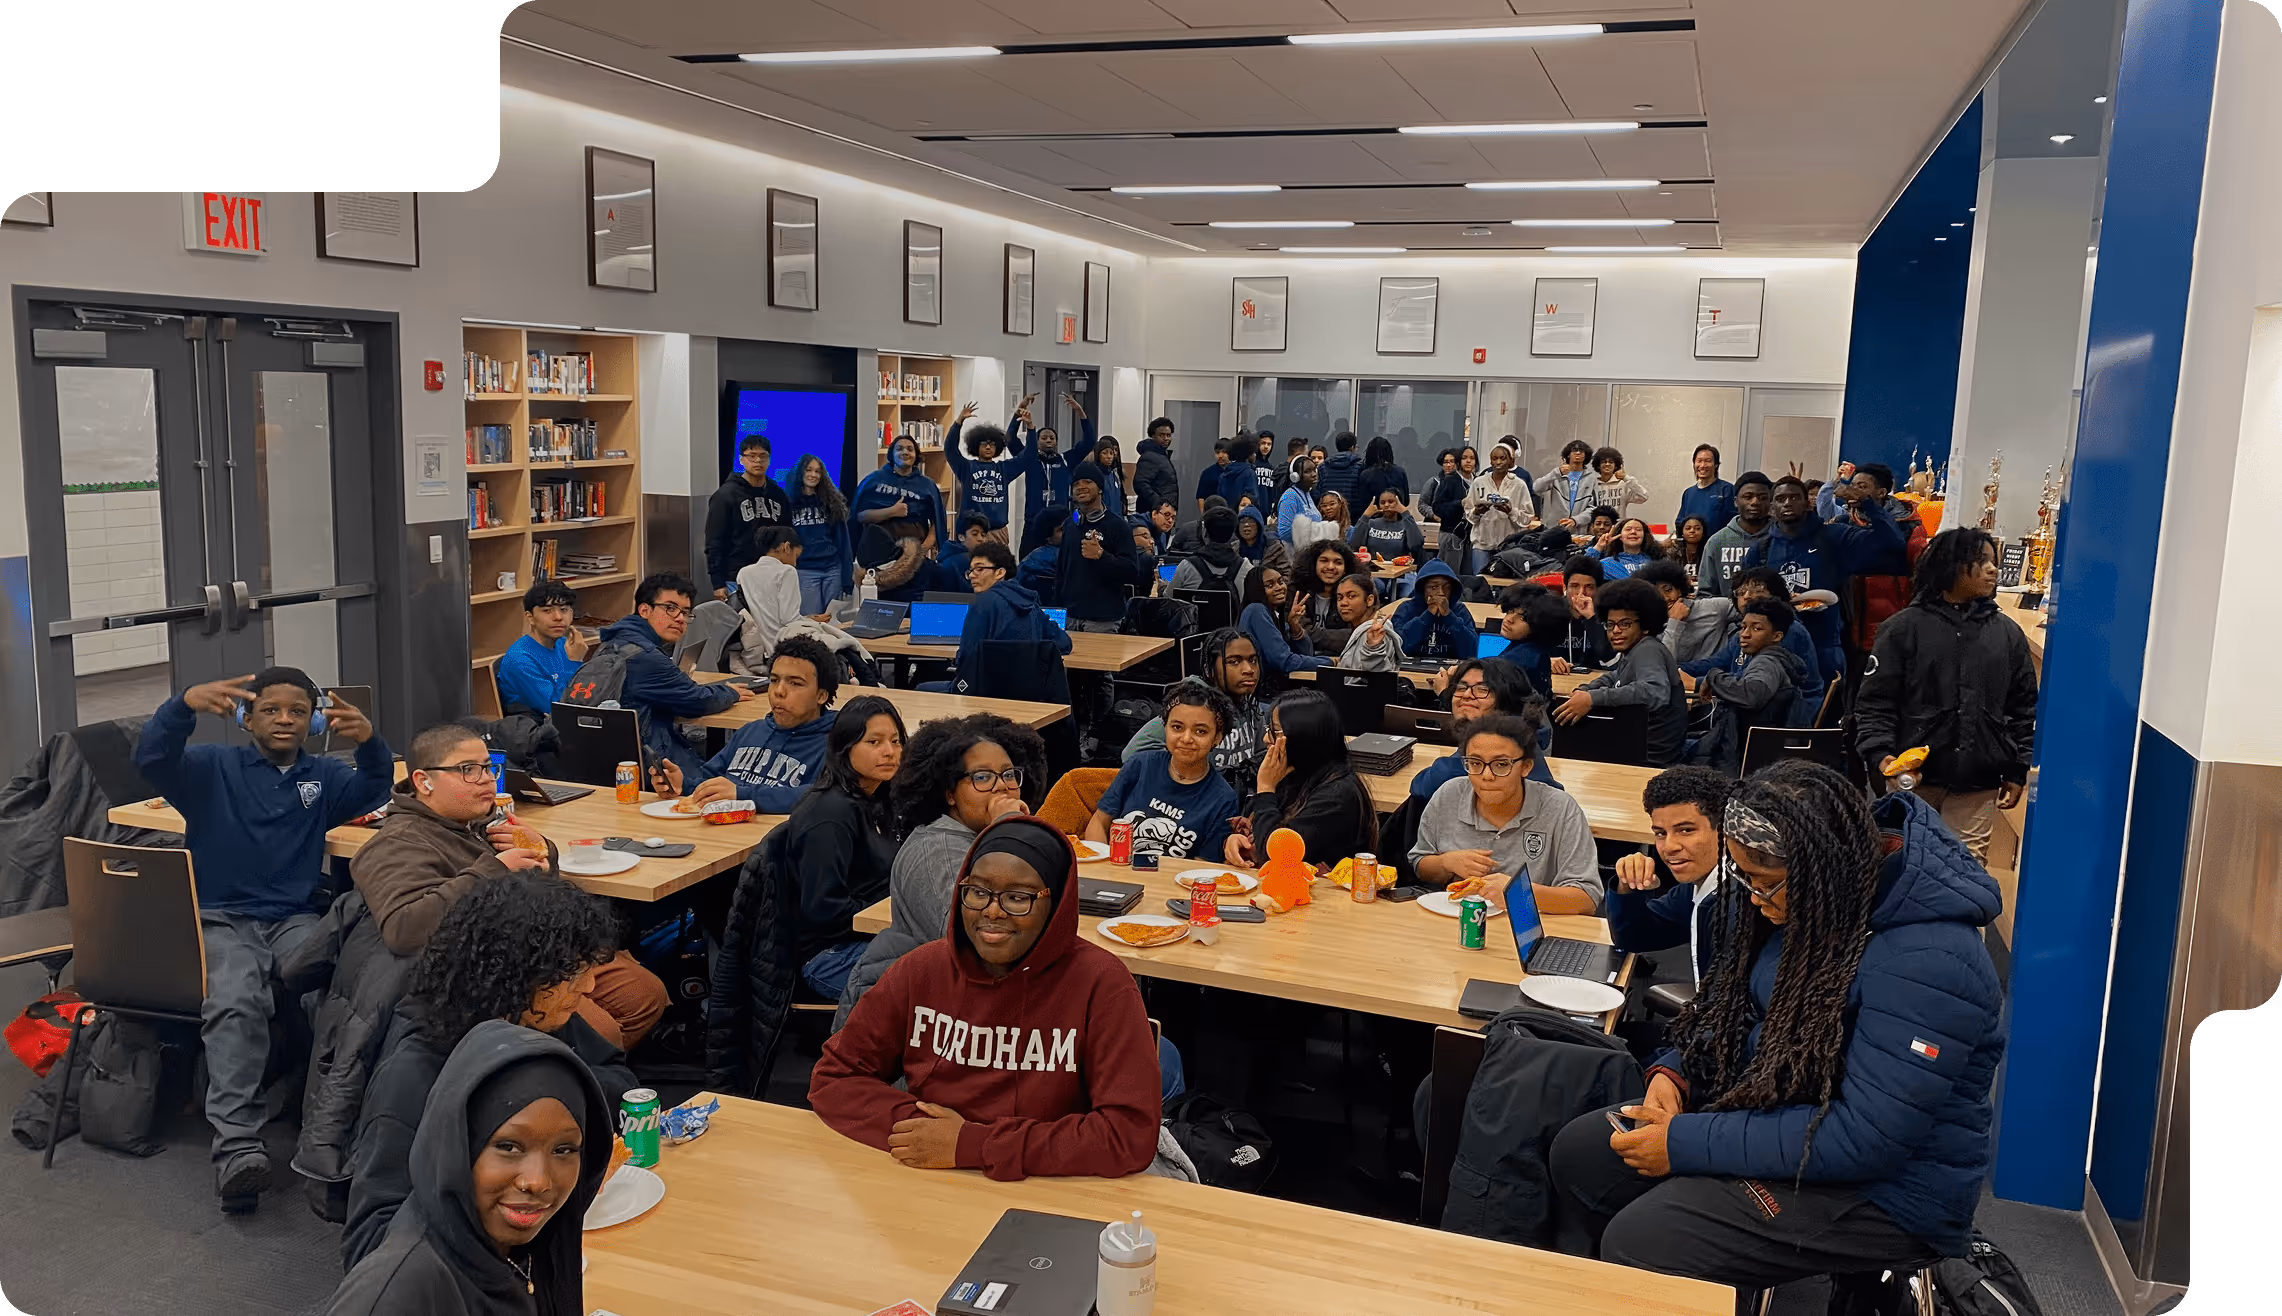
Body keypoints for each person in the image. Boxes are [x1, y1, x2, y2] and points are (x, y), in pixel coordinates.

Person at [1546, 762, 2004, 1293]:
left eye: (1764, 885)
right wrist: (1676, 1074)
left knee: (1647, 1239)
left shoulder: (1931, 960)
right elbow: (1730, 1006)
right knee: (1583, 1153)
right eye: (1743, 879)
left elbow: (1866, 1139)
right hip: (1779, 1111)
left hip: (1890, 1191)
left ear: (1822, 871)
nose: (1755, 900)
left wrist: (1684, 1142)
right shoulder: (1796, 907)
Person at [135, 668, 393, 1211]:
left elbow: (374, 789)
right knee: (234, 1001)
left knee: (342, 993)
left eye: (297, 711)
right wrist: (182, 706)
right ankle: (238, 1152)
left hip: (293, 920)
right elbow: (152, 761)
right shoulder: (210, 767)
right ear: (245, 717)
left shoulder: (322, 776)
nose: (284, 719)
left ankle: (333, 1130)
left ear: (313, 720)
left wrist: (369, 742)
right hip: (221, 917)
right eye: (270, 709)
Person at [811, 817, 1160, 1180]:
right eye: (977, 892)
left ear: (1055, 904)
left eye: (1017, 898)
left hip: (1052, 1189)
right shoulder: (922, 970)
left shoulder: (1101, 983)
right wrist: (925, 1133)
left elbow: (1129, 1134)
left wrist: (974, 1144)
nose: (992, 912)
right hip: (932, 1177)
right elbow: (835, 1079)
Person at [341, 876, 633, 1271]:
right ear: (523, 974)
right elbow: (370, 1241)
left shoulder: (539, 1019)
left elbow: (621, 1083)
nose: (591, 984)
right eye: (573, 970)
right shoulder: (415, 1071)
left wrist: (551, 1102)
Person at [351, 723, 667, 1049]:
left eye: (489, 767)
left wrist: (543, 853)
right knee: (604, 1035)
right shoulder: (397, 844)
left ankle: (580, 1075)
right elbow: (404, 930)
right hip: (484, 979)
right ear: (424, 781)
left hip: (537, 951)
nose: (487, 778)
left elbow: (530, 901)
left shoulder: (478, 822)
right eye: (468, 770)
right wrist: (497, 868)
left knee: (645, 995)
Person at [324, 1021, 612, 1316]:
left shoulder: (531, 1250)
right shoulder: (399, 1293)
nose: (537, 1181)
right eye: (508, 1147)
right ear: (457, 1147)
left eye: (564, 1150)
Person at [836, 715, 1047, 1025]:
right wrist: (1007, 831)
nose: (1002, 787)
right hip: (906, 1029)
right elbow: (976, 942)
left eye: (1008, 774)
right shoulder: (939, 852)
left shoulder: (979, 839)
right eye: (982, 778)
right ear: (949, 793)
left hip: (954, 1009)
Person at [1854, 527, 2039, 864]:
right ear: (1950, 565)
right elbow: (1874, 704)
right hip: (1912, 780)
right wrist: (1881, 756)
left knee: (1964, 879)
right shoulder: (1902, 628)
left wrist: (2017, 769)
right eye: (1980, 561)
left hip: (1977, 785)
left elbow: (2023, 708)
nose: (1992, 569)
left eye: (1993, 561)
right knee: (1904, 871)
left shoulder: (2007, 634)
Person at [1412, 711, 1602, 915]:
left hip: (1529, 929)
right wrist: (1445, 863)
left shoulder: (1560, 808)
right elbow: (1420, 863)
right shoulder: (1449, 794)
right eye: (1475, 763)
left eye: (1501, 765)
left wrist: (1519, 894)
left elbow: (1587, 898)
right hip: (1459, 921)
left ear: (1526, 767)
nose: (1486, 776)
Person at [781, 695, 907, 998]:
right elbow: (824, 909)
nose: (889, 752)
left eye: (896, 741)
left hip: (873, 937)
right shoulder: (830, 815)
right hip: (830, 956)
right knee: (938, 986)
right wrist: (897, 921)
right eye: (874, 743)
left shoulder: (879, 798)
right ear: (844, 747)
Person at [654, 635, 839, 815]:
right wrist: (682, 785)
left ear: (821, 696)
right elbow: (709, 779)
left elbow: (823, 797)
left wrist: (743, 796)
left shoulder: (836, 744)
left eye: (795, 683)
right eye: (774, 680)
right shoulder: (750, 732)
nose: (779, 691)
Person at [595, 573, 751, 781]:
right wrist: (730, 692)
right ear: (644, 610)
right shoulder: (646, 656)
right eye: (670, 608)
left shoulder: (612, 643)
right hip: (647, 763)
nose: (679, 618)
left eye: (685, 612)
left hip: (609, 757)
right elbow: (697, 700)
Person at [1760, 473, 1906, 681]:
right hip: (1776, 648)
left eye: (1794, 497)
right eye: (1781, 499)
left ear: (1808, 503)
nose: (1788, 503)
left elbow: (1892, 545)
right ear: (1772, 508)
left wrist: (1867, 504)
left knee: (1828, 711)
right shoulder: (1762, 549)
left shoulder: (1833, 536)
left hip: (1825, 646)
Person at [1087, 679, 1242, 863]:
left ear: (1217, 737)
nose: (1186, 738)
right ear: (1165, 728)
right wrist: (1102, 872)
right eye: (1177, 727)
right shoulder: (1140, 765)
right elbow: (1099, 822)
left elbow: (1203, 865)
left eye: (1200, 731)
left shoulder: (1224, 798)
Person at [1604, 767, 1734, 984]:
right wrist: (1627, 888)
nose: (1669, 847)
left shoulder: (1739, 903)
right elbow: (1635, 938)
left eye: (1686, 830)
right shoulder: (1697, 886)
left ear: (1724, 829)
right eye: (1660, 833)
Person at [1231, 691, 1376, 867]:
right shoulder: (1293, 773)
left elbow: (1274, 856)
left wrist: (1265, 788)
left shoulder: (1338, 796)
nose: (1265, 739)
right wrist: (1236, 840)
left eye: (1275, 731)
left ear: (1303, 737)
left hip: (1321, 891)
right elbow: (1258, 829)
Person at [1554, 577, 1688, 767]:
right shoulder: (1633, 649)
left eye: (1625, 623)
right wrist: (1587, 690)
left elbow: (1654, 692)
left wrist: (1593, 699)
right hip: (1633, 744)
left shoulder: (1648, 649)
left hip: (1649, 758)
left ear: (1645, 626)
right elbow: (1615, 676)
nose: (1615, 631)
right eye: (1610, 624)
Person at [1123, 628, 1272, 788]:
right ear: (1209, 670)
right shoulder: (1192, 707)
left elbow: (1260, 753)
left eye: (1253, 660)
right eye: (1234, 662)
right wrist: (1184, 776)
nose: (1249, 670)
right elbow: (1132, 753)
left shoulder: (1250, 704)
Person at [1409, 658, 1559, 802]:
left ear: (1507, 698)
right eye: (1461, 688)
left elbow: (1427, 785)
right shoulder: (1515, 729)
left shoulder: (1500, 738)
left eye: (1482, 689)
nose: (1467, 695)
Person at [1680, 567, 1826, 714]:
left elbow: (1752, 685)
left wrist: (1698, 683)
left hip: (1788, 717)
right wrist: (1676, 669)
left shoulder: (1788, 629)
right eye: (1741, 592)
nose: (1748, 596)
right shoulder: (1744, 631)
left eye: (1757, 590)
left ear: (1776, 596)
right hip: (1757, 707)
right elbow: (1716, 662)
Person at [1685, 599, 1808, 774]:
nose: (1745, 634)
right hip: (1758, 753)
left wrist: (1713, 677)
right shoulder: (1768, 659)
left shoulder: (1767, 662)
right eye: (1743, 627)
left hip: (1747, 759)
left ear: (1777, 636)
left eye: (1756, 628)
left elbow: (1752, 694)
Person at [946, 541, 1071, 695]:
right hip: (1030, 697)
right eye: (970, 570)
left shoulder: (981, 603)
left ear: (1000, 573)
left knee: (922, 689)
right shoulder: (1030, 603)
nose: (972, 575)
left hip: (984, 694)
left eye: (979, 568)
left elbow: (966, 658)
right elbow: (1065, 643)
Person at [1829, 462, 1929, 654]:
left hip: (1890, 615)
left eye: (1862, 487)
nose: (1854, 491)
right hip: (1847, 617)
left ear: (1882, 492)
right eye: (1854, 485)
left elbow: (1919, 572)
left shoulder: (1908, 526)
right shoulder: (1843, 521)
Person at [1056, 461, 1142, 631]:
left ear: (1100, 488)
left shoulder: (1118, 526)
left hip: (1103, 620)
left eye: (1087, 482)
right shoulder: (1070, 525)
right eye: (1076, 484)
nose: (1081, 487)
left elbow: (1132, 573)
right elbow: (1061, 572)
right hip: (1070, 617)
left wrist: (1102, 556)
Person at [704, 433, 789, 594]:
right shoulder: (725, 496)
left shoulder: (778, 494)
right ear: (741, 459)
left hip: (773, 576)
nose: (758, 461)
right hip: (736, 577)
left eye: (763, 456)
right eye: (752, 456)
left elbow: (788, 534)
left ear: (769, 459)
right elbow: (714, 541)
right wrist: (717, 583)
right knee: (741, 619)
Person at [495, 580, 590, 717]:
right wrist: (574, 662)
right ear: (530, 618)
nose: (558, 617)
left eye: (564, 610)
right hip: (539, 729)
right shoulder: (520, 659)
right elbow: (557, 710)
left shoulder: (564, 644)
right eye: (547, 611)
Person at [943, 406, 1030, 534]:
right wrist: (959, 422)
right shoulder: (967, 467)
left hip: (997, 531)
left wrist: (1031, 429)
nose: (988, 447)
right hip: (972, 531)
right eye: (984, 443)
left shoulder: (1004, 469)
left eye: (992, 444)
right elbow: (950, 449)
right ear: (976, 446)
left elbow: (1028, 457)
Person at [1634, 560, 1732, 668]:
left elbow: (1749, 611)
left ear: (1680, 588)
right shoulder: (1650, 625)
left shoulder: (1715, 607)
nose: (1665, 598)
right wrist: (1674, 623)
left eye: (1668, 590)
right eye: (1656, 594)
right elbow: (1660, 667)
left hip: (1712, 679)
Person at [788, 452, 853, 615]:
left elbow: (843, 542)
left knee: (833, 622)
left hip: (833, 569)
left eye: (818, 471)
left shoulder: (832, 502)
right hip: (805, 570)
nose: (813, 475)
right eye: (809, 470)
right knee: (812, 621)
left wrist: (847, 579)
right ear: (800, 472)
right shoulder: (787, 503)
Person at [854, 433, 948, 546]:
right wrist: (892, 511)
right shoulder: (874, 480)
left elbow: (937, 521)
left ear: (916, 455)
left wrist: (922, 550)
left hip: (915, 551)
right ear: (892, 454)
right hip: (878, 550)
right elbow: (860, 516)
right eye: (899, 449)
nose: (905, 452)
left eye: (910, 449)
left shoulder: (927, 485)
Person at [1236, 560, 1324, 679]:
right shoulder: (1256, 610)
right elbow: (1284, 662)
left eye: (1280, 582)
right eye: (1270, 585)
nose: (1279, 588)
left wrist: (1295, 627)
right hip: (1262, 693)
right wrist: (1330, 663)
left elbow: (1306, 654)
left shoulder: (1274, 614)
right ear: (1257, 589)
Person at [733, 526, 811, 656]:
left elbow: (765, 611)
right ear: (786, 547)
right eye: (796, 556)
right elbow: (789, 619)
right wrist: (813, 623)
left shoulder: (744, 573)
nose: (795, 563)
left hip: (755, 646)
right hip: (783, 646)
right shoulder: (787, 572)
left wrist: (807, 618)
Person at [1696, 470, 1773, 599]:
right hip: (1728, 617)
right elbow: (1705, 594)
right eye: (1748, 497)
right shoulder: (1717, 542)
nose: (1755, 502)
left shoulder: (1782, 538)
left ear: (1770, 502)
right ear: (1736, 501)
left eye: (1762, 497)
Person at [1391, 559, 1479, 661]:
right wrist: (1427, 616)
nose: (1441, 592)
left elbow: (1473, 652)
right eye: (1434, 587)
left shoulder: (1459, 611)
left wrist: (1449, 617)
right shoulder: (1407, 609)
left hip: (1451, 671)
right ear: (1422, 589)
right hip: (1412, 668)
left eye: (1447, 587)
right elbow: (1397, 648)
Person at [1467, 442, 1535, 571]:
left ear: (1510, 461)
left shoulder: (1519, 484)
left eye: (1502, 458)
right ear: (1490, 461)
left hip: (1508, 545)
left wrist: (1511, 511)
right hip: (1482, 543)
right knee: (1481, 583)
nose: (1498, 462)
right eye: (1495, 458)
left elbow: (1528, 517)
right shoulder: (1479, 482)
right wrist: (1477, 511)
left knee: (1505, 585)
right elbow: (1468, 513)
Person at [1493, 584, 1567, 697]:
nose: (1509, 619)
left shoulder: (1524, 658)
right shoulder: (1530, 649)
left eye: (1523, 618)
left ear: (1539, 625)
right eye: (1511, 611)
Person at [1169, 504, 1250, 598]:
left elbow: (1168, 599)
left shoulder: (1186, 567)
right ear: (1232, 534)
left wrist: (1161, 587)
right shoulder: (1246, 568)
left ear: (1205, 532)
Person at [1550, 556, 1615, 673]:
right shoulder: (1547, 611)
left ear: (1598, 590)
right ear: (1565, 587)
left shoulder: (1609, 616)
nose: (1581, 593)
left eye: (1589, 587)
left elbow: (1612, 663)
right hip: (1557, 682)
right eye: (1575, 586)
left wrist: (1591, 619)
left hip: (1596, 686)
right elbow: (1506, 646)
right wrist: (1545, 660)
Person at [1293, 538, 1361, 644]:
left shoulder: (1355, 594)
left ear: (1345, 570)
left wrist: (1311, 635)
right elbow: (1298, 632)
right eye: (1324, 561)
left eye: (1338, 562)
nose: (1330, 567)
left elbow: (1357, 634)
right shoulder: (1297, 590)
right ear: (1314, 564)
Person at [1335, 572, 1407, 671]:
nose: (1343, 603)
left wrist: (1374, 648)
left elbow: (1377, 678)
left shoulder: (1378, 633)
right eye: (1340, 598)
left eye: (1351, 596)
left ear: (1369, 600)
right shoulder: (1360, 628)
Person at [1422, 448, 1472, 569]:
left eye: (1452, 461)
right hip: (1448, 531)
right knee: (1448, 569)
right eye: (1446, 462)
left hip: (1468, 533)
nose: (1449, 465)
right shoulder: (1437, 482)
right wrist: (1435, 516)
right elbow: (1425, 504)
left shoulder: (1473, 481)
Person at [1350, 486, 1425, 565]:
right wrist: (1365, 516)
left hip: (1400, 571)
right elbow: (1355, 544)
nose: (1386, 505)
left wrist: (1405, 513)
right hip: (1375, 570)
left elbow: (1416, 545)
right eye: (1382, 502)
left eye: (1391, 501)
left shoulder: (1405, 524)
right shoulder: (1371, 523)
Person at [1535, 439, 1599, 530]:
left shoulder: (1591, 478)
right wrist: (1557, 473)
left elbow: (1593, 508)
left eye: (1581, 451)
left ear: (1586, 456)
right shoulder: (1557, 474)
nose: (1578, 453)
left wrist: (1575, 520)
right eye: (1574, 450)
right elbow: (1536, 488)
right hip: (1554, 528)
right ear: (1568, 455)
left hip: (1579, 529)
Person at [1673, 444, 1735, 536]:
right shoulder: (1688, 493)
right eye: (1699, 461)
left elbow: (1734, 523)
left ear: (1716, 464)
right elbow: (1680, 523)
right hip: (1693, 547)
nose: (1702, 465)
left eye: (1708, 461)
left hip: (1717, 546)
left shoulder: (1727, 490)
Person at [1133, 415, 1182, 518]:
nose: (1166, 439)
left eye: (1168, 435)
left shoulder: (1162, 456)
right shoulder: (1149, 456)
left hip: (1165, 513)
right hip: (1153, 514)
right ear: (1153, 436)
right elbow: (1140, 484)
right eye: (1161, 435)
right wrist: (1159, 504)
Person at [1017, 505, 1066, 600]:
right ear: (1048, 537)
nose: (1068, 532)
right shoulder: (1071, 558)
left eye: (1069, 526)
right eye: (1061, 530)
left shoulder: (1026, 562)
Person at [1591, 517, 1664, 580]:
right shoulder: (1607, 564)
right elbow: (1583, 571)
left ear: (1644, 536)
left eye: (1638, 529)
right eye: (1628, 529)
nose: (1633, 532)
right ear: (1620, 536)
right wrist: (1598, 547)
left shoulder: (1655, 562)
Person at [1354, 435, 1411, 511]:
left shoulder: (1366, 475)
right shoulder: (1400, 472)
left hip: (1373, 518)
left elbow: (1362, 503)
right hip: (1396, 517)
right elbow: (1406, 501)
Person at [1315, 430, 1366, 512]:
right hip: (1352, 514)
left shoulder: (1323, 466)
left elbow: (1318, 491)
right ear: (1352, 447)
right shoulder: (1360, 466)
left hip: (1328, 513)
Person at [1275, 456, 1321, 544]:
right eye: (1307, 471)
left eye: (1314, 470)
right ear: (1295, 477)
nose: (1314, 474)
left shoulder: (1307, 493)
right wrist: (1313, 532)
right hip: (1295, 555)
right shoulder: (1290, 496)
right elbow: (1284, 533)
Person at [939, 511, 994, 582]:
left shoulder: (947, 554)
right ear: (961, 537)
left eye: (983, 535)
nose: (980, 539)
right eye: (974, 534)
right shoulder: (963, 561)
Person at [1196, 438, 1236, 516]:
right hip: (1212, 515)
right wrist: (1203, 516)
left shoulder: (1236, 472)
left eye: (1224, 452)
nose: (1220, 456)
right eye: (1217, 453)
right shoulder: (1207, 473)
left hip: (1231, 515)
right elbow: (1201, 497)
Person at [1671, 515, 1710, 586]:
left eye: (1697, 528)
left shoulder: (1710, 551)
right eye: (1688, 528)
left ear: (1703, 532)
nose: (1692, 531)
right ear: (1682, 532)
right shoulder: (1673, 551)